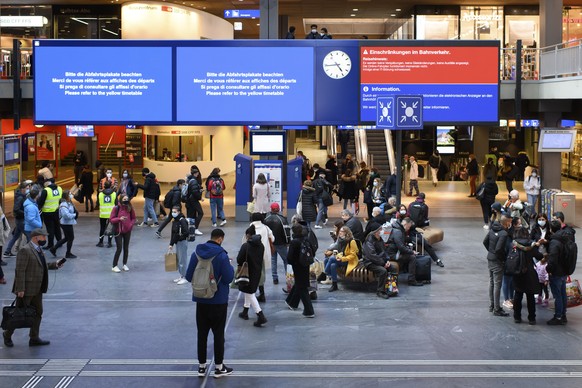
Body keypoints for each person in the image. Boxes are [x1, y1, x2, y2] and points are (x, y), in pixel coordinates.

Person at [3, 227, 65, 348]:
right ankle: (7, 334)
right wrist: (20, 289)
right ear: (36, 237)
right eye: (43, 237)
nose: (45, 239)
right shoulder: (25, 250)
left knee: (38, 313)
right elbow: (20, 271)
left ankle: (34, 337)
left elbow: (41, 265)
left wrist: (55, 265)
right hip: (26, 289)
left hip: (38, 288)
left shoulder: (38, 250)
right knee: (18, 315)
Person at [185, 229, 234, 378]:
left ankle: (201, 367)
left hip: (201, 300)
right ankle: (219, 368)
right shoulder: (222, 255)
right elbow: (228, 278)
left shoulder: (196, 253)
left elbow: (188, 276)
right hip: (218, 301)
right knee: (218, 334)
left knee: (202, 334)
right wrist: (230, 266)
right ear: (220, 239)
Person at [236, 225, 267, 327]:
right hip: (257, 272)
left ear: (248, 235)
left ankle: (260, 315)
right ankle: (245, 311)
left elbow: (239, 259)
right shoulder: (261, 245)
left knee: (250, 293)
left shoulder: (245, 246)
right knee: (248, 290)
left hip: (247, 272)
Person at [512, 227, 543, 325]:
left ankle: (517, 317)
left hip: (518, 273)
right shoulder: (531, 245)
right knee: (530, 297)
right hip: (529, 273)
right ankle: (532, 318)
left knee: (518, 296)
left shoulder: (513, 244)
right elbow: (539, 256)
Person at [285, 224, 315, 318]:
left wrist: (291, 262)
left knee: (302, 287)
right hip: (305, 264)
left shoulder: (294, 242)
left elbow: (290, 257)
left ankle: (309, 311)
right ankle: (291, 302)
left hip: (297, 266)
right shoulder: (306, 239)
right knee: (299, 283)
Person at [483, 215, 511, 316]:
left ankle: (492, 305)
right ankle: (497, 308)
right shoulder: (503, 233)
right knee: (497, 284)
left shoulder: (492, 229)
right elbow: (499, 249)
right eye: (509, 222)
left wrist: (491, 252)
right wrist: (502, 258)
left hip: (490, 258)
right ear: (506, 222)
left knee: (491, 282)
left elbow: (485, 242)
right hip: (497, 261)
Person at [386, 217, 424, 286]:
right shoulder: (398, 232)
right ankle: (411, 280)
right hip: (392, 255)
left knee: (410, 254)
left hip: (391, 252)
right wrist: (411, 252)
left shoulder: (396, 228)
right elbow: (401, 247)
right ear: (406, 224)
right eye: (409, 227)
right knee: (412, 257)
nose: (408, 229)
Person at [363, 226, 397, 299]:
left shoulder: (380, 239)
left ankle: (392, 288)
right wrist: (383, 263)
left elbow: (384, 251)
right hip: (369, 262)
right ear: (375, 231)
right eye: (380, 229)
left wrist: (387, 260)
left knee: (393, 268)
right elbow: (372, 256)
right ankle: (380, 291)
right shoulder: (369, 241)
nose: (382, 231)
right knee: (383, 271)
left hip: (380, 261)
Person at [546, 219, 570, 325]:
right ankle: (563, 314)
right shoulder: (565, 237)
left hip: (557, 272)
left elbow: (552, 260)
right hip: (564, 270)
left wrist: (549, 270)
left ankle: (558, 316)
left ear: (551, 229)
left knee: (558, 295)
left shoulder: (555, 242)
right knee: (563, 293)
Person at [322, 226, 359, 292]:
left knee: (331, 259)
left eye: (342, 231)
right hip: (341, 258)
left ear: (346, 233)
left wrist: (342, 259)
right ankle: (334, 285)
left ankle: (326, 273)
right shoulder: (340, 239)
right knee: (333, 265)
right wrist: (335, 254)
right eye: (340, 231)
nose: (340, 233)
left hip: (350, 260)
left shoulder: (352, 241)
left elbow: (353, 255)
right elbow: (338, 249)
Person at [247, 212, 275, 302]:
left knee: (251, 274)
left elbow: (244, 241)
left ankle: (251, 294)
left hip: (252, 255)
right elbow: (273, 239)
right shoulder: (266, 228)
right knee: (261, 274)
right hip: (263, 254)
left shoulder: (250, 228)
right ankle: (261, 293)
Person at [263, 203, 289, 285]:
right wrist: (288, 242)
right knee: (286, 260)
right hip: (281, 243)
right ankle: (288, 277)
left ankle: (275, 278)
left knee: (273, 261)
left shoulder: (266, 220)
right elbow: (286, 233)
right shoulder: (282, 219)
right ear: (278, 209)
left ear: (271, 209)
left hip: (271, 244)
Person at [109, 195, 136, 273]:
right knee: (119, 248)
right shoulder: (116, 208)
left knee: (126, 248)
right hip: (118, 231)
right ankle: (114, 265)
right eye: (124, 199)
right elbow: (111, 219)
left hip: (127, 230)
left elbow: (133, 218)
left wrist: (130, 225)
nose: (126, 201)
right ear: (121, 200)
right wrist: (119, 219)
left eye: (127, 199)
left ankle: (124, 264)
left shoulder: (130, 207)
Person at [4, 181, 31, 258]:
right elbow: (16, 209)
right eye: (27, 188)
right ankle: (32, 251)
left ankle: (7, 251)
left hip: (19, 220)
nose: (28, 189)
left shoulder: (21, 195)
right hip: (21, 220)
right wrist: (25, 213)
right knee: (29, 235)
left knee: (16, 236)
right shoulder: (20, 197)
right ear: (22, 189)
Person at [50, 190, 78, 258]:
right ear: (66, 196)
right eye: (70, 194)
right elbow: (66, 215)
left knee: (66, 238)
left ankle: (53, 248)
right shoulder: (64, 204)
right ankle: (68, 253)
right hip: (65, 223)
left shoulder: (68, 202)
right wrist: (74, 215)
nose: (71, 195)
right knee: (71, 238)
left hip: (67, 223)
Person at [37, 178, 63, 249]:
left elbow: (41, 202)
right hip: (57, 211)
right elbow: (60, 199)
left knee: (50, 229)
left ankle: (50, 244)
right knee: (57, 227)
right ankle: (59, 242)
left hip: (47, 212)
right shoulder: (59, 189)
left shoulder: (46, 190)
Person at [168, 205, 189, 285]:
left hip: (182, 242)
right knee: (179, 259)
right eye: (172, 212)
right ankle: (182, 275)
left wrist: (179, 238)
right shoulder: (175, 221)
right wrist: (171, 243)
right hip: (178, 242)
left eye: (175, 212)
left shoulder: (182, 221)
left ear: (179, 212)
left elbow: (186, 233)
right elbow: (173, 233)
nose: (173, 213)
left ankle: (185, 277)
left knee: (182, 260)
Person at [184, 165, 204, 235]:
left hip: (189, 200)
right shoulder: (194, 181)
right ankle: (195, 228)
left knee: (191, 215)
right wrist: (200, 196)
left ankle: (189, 229)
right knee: (200, 213)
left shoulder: (189, 180)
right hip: (193, 200)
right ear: (196, 173)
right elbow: (195, 192)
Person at [96, 181, 116, 248]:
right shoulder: (114, 194)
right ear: (111, 186)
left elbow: (98, 203)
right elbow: (116, 204)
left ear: (104, 186)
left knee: (102, 228)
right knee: (110, 228)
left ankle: (101, 242)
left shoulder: (100, 194)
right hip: (111, 214)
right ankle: (109, 243)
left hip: (103, 214)